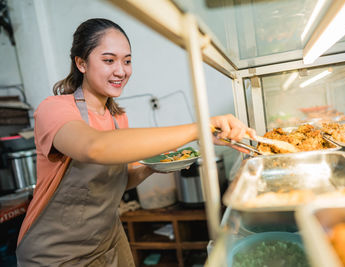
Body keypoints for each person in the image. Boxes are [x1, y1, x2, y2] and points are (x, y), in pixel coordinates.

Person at [16, 18, 255, 266]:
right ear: (81, 63)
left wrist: (154, 167)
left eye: (127, 61)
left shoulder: (118, 117)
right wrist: (199, 127)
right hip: (55, 255)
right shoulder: (53, 110)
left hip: (108, 242)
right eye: (109, 60)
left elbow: (119, 181)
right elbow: (94, 147)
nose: (121, 71)